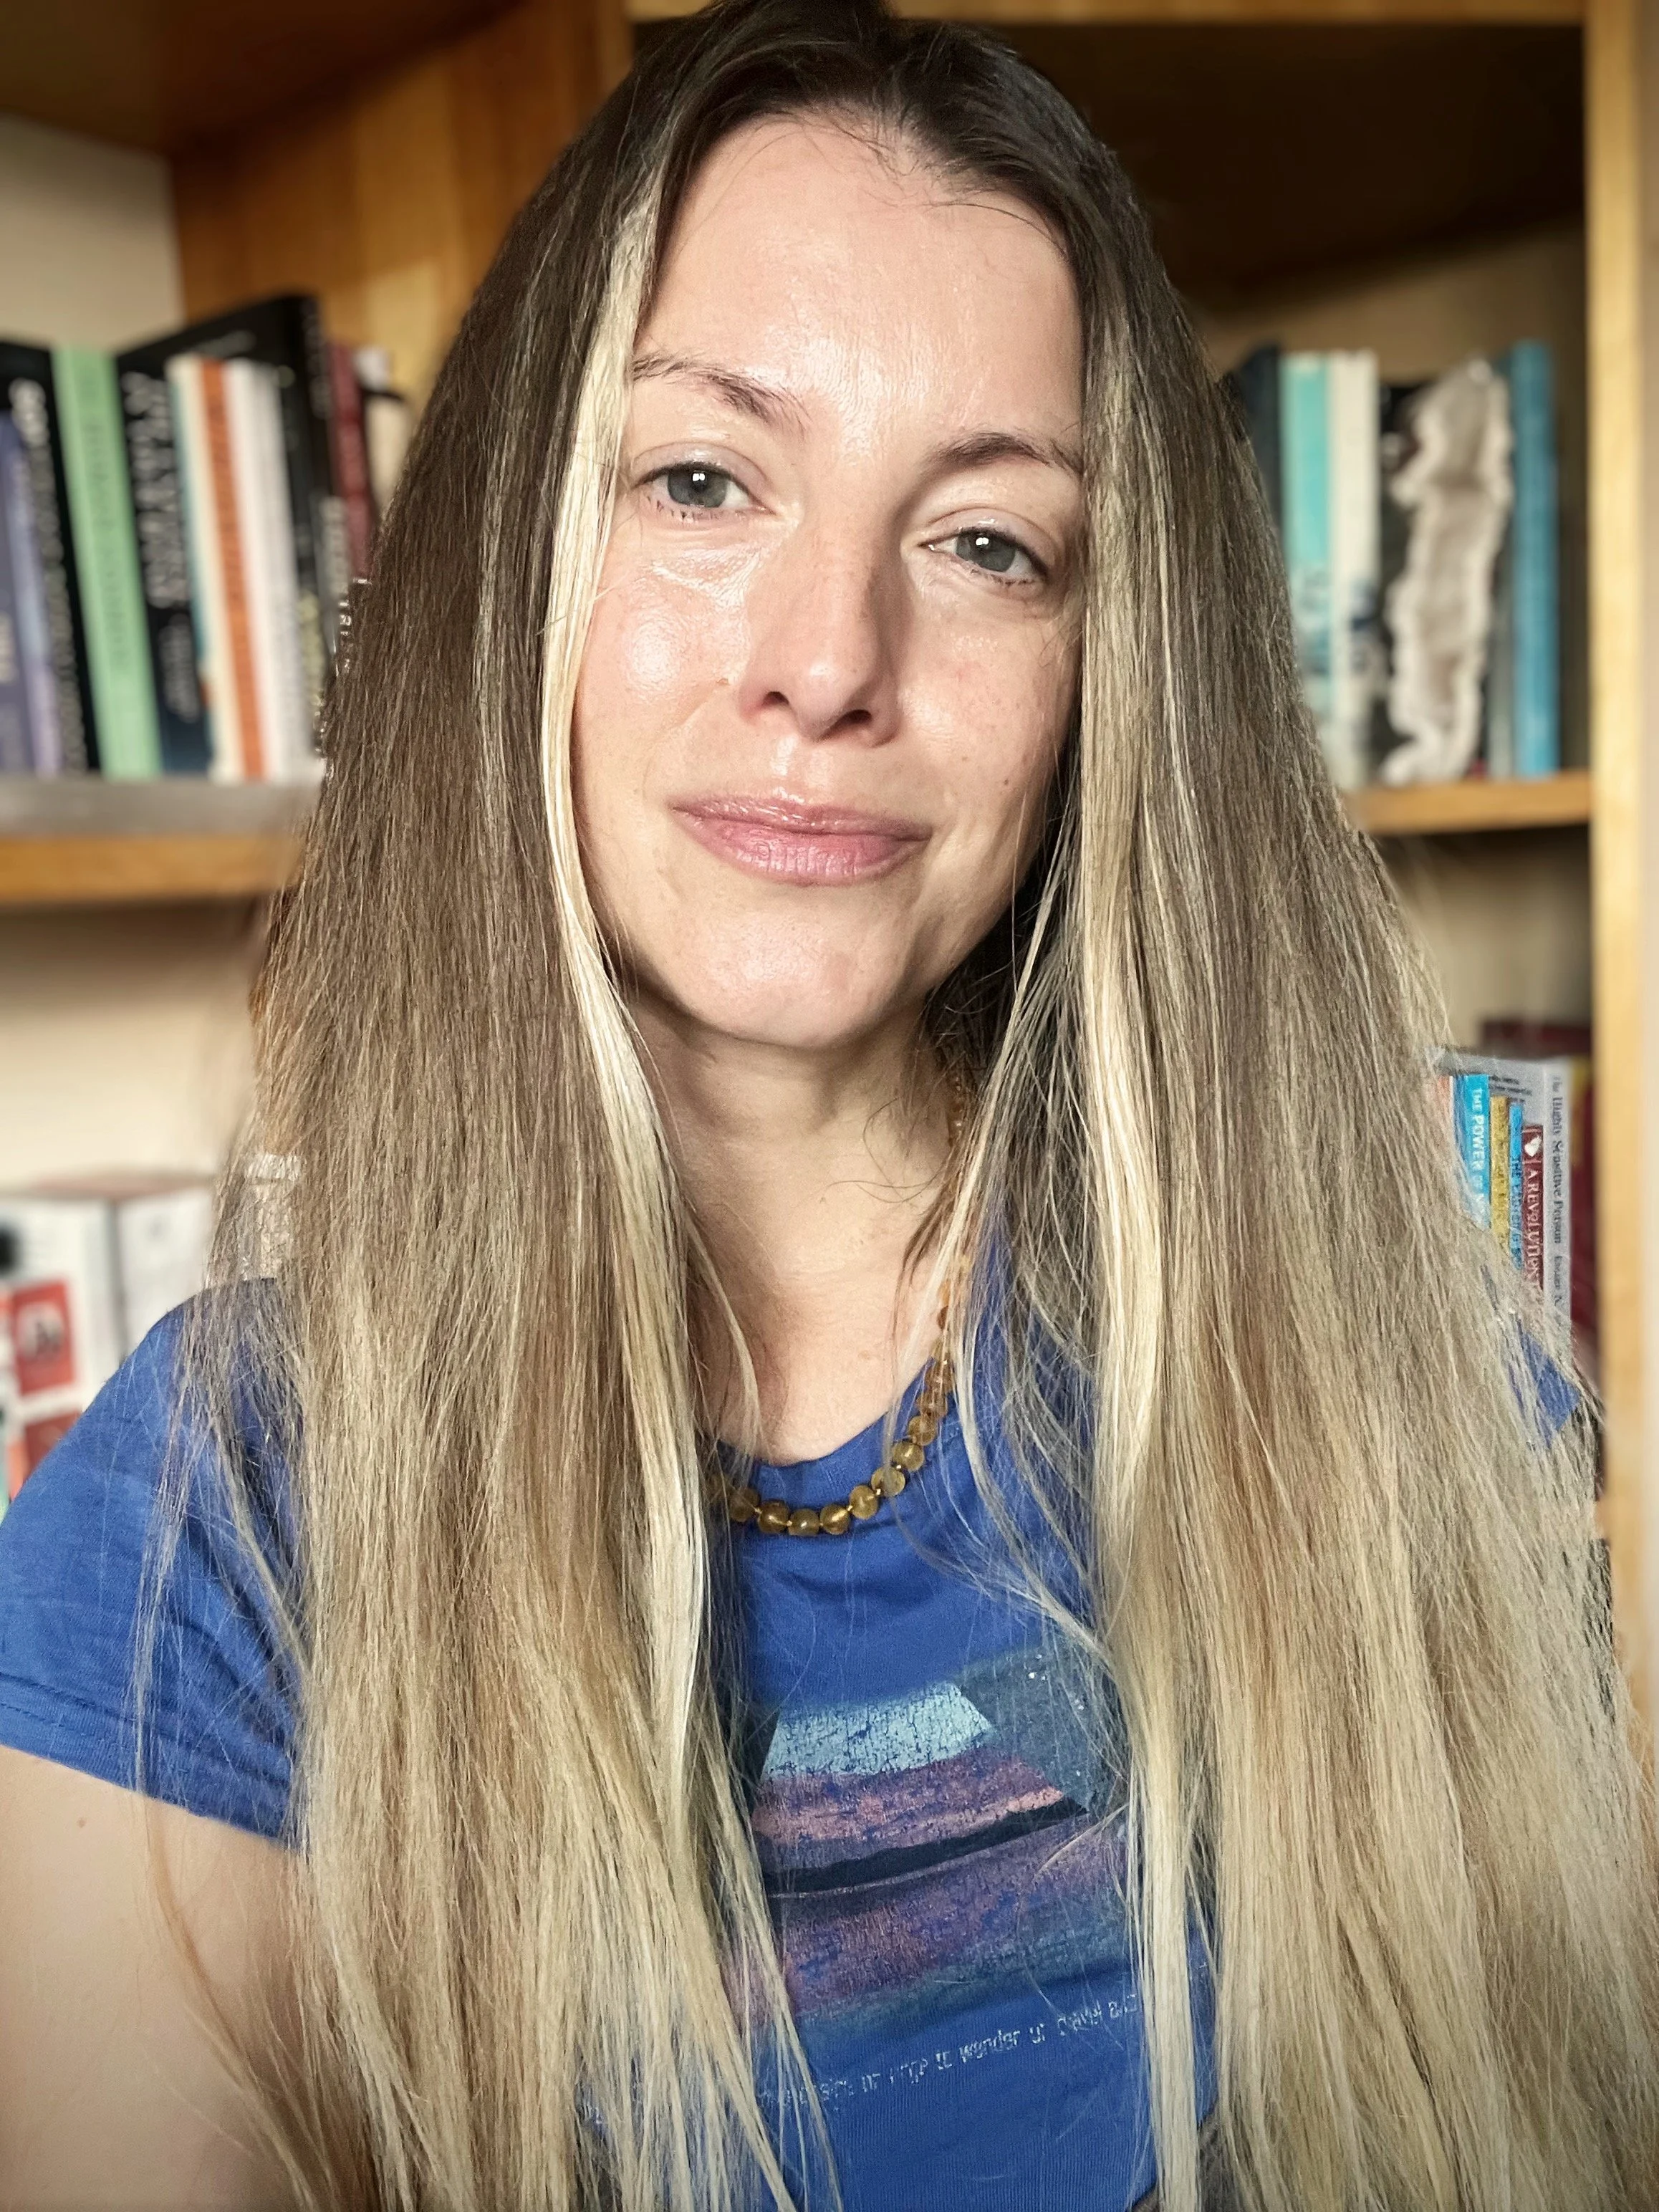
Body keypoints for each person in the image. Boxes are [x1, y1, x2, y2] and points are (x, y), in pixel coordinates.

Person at [1, 3, 1654, 2206]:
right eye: (700, 479)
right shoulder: (217, 1521)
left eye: (988, 543)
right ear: (514, 579)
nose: (827, 657)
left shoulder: (1406, 1378)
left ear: (1106, 675)